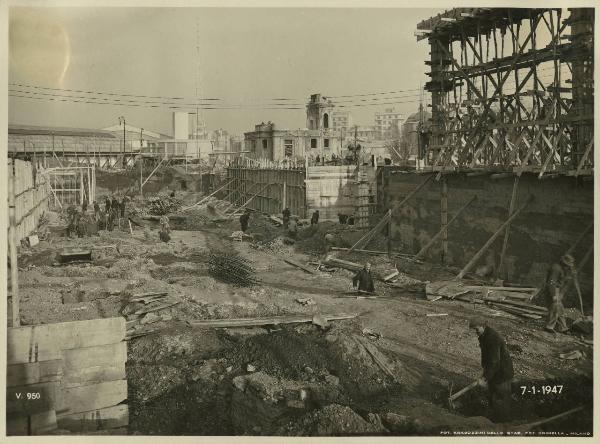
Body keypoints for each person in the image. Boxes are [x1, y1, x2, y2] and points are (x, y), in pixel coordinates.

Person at [469, 319, 514, 423]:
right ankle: (494, 416)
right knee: (493, 394)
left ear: (483, 326)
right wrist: (486, 374)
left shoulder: (492, 338)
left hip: (502, 373)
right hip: (494, 371)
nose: (475, 332)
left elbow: (494, 361)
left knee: (501, 397)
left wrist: (485, 378)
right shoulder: (485, 335)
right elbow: (489, 359)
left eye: (476, 329)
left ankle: (503, 422)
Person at [544, 254, 574, 333]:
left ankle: (563, 327)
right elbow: (551, 282)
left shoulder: (563, 269)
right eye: (567, 265)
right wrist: (553, 295)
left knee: (560, 309)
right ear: (563, 263)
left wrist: (561, 294)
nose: (568, 267)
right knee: (555, 307)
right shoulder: (556, 268)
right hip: (553, 289)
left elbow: (565, 282)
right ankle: (549, 327)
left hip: (558, 290)